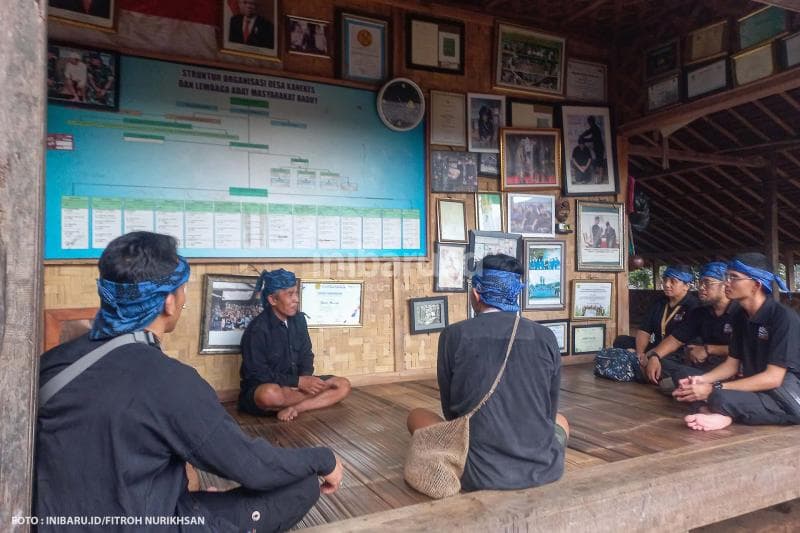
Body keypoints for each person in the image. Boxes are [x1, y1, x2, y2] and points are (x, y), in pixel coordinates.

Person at [35, 232, 343, 532]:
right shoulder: (170, 381)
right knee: (303, 481)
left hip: (54, 517)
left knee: (181, 464)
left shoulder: (53, 363)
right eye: (183, 291)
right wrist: (322, 457)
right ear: (169, 302)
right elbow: (252, 466)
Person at [407, 254, 569, 491]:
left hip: (479, 472)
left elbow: (451, 409)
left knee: (416, 415)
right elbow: (549, 409)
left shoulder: (454, 335)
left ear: (476, 294)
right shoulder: (545, 336)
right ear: (516, 293)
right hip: (544, 468)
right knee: (561, 421)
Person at [674, 253, 800, 431]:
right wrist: (701, 380)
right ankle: (718, 412)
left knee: (718, 396)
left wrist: (714, 387)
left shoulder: (782, 318)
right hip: (755, 388)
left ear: (756, 285)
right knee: (687, 381)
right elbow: (732, 365)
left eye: (734, 277)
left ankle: (723, 413)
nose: (726, 282)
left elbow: (773, 378)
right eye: (727, 276)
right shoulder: (740, 316)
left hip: (785, 395)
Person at [239, 268, 352, 421]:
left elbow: (306, 354)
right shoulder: (257, 330)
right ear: (273, 300)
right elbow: (258, 374)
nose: (296, 299)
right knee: (269, 395)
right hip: (270, 388)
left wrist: (305, 379)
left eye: (296, 293)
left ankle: (295, 408)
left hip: (297, 385)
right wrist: (297, 382)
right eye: (290, 294)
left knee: (342, 385)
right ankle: (301, 402)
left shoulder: (299, 320)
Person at [644, 262, 736, 390]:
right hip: (703, 366)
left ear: (725, 284)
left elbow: (747, 348)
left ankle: (702, 386)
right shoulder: (701, 312)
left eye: (708, 283)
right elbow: (676, 339)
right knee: (659, 363)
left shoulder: (740, 312)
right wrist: (654, 356)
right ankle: (688, 384)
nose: (702, 287)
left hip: (731, 369)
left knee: (679, 376)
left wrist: (708, 349)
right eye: (700, 283)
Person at [613, 265, 700, 368]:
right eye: (665, 280)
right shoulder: (659, 302)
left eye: (673, 281)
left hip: (677, 351)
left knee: (669, 361)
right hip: (656, 346)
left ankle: (641, 362)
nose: (667, 285)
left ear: (686, 286)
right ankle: (639, 360)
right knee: (621, 340)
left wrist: (652, 354)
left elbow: (678, 342)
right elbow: (644, 330)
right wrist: (640, 353)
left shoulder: (694, 306)